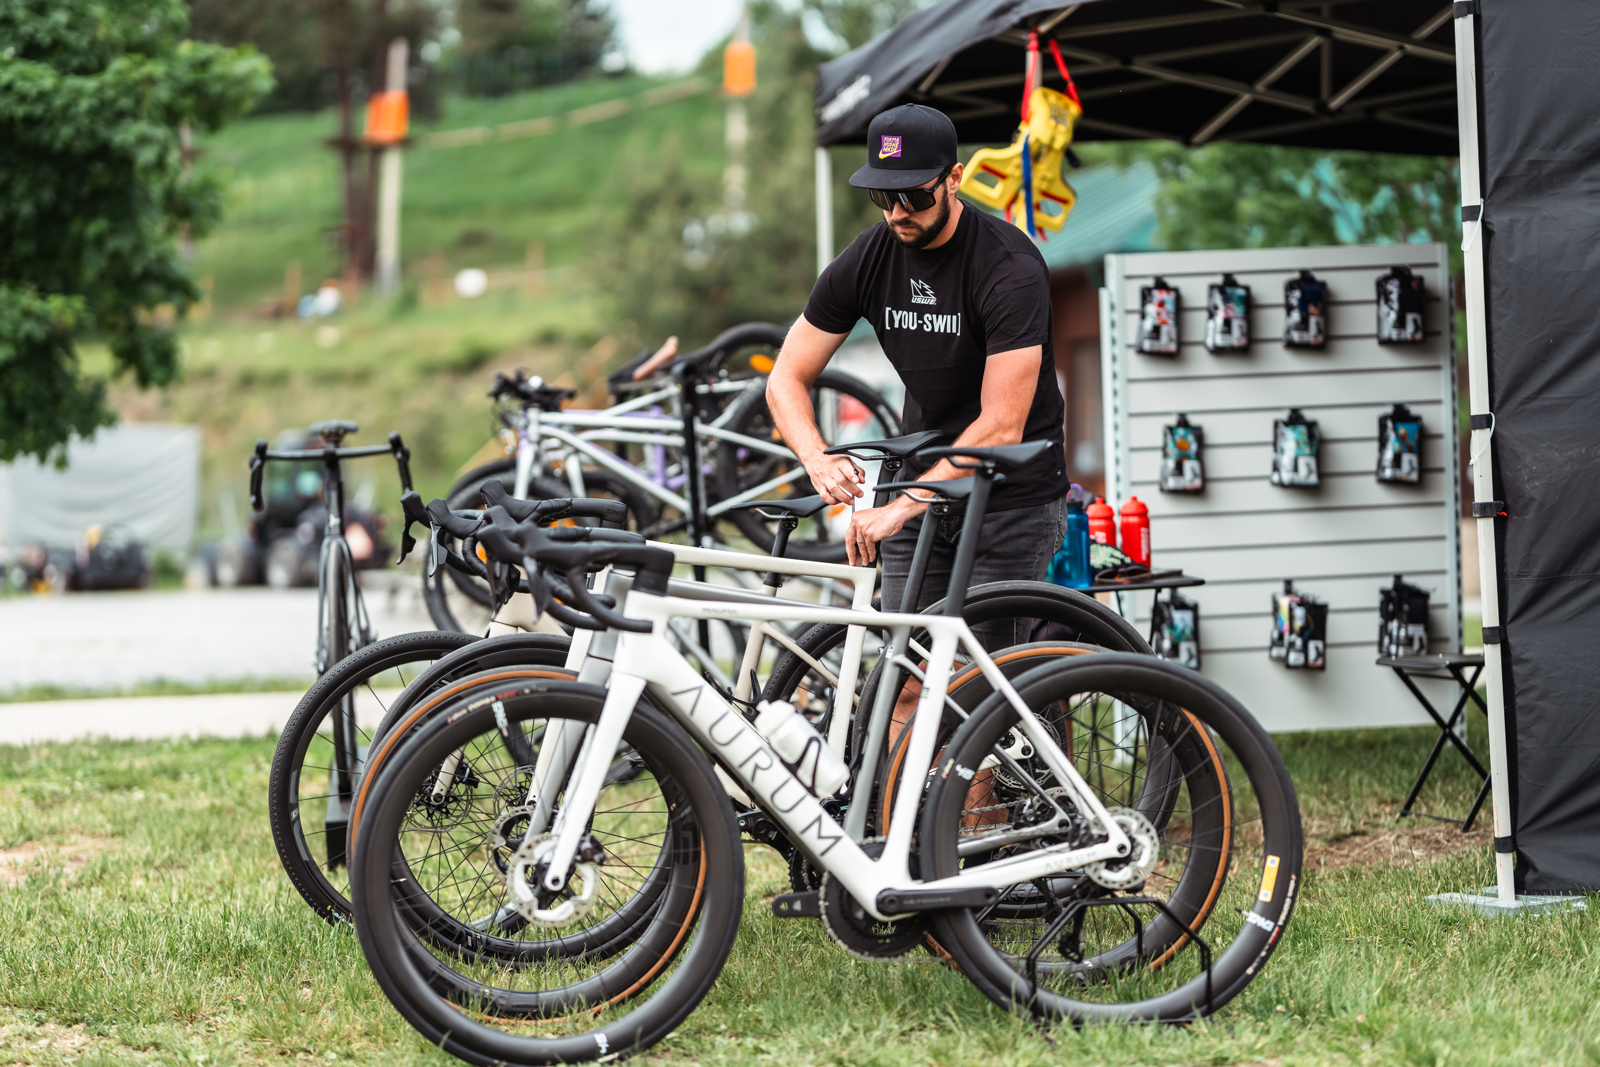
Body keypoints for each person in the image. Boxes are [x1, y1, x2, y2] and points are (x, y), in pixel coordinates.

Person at [767, 103, 1068, 663]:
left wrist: (899, 507)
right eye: (884, 197)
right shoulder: (869, 257)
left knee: (984, 679)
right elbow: (786, 376)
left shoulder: (1008, 267)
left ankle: (1041, 717)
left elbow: (1001, 426)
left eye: (915, 196)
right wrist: (816, 458)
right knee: (903, 675)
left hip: (1008, 497)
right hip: (921, 482)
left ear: (954, 179)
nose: (898, 212)